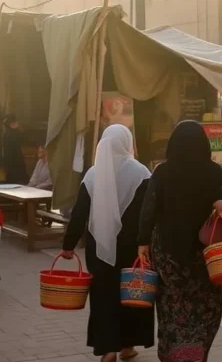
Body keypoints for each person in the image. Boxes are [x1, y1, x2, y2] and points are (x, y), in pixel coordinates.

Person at [139, 121, 222, 362]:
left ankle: (174, 352)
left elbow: (148, 209)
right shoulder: (215, 172)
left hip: (168, 254)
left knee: (171, 306)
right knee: (206, 305)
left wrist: (142, 243)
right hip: (205, 255)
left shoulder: (162, 172)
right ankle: (196, 350)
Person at [62, 125, 153, 362]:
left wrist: (68, 245)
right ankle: (127, 346)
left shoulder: (93, 174)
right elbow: (149, 213)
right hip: (132, 246)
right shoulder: (141, 173)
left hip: (99, 247)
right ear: (127, 142)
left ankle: (108, 349)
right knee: (131, 295)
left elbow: (79, 213)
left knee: (103, 297)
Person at [0, 115, 27, 184]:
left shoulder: (7, 132)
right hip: (14, 157)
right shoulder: (12, 132)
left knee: (12, 176)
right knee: (15, 176)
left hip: (11, 157)